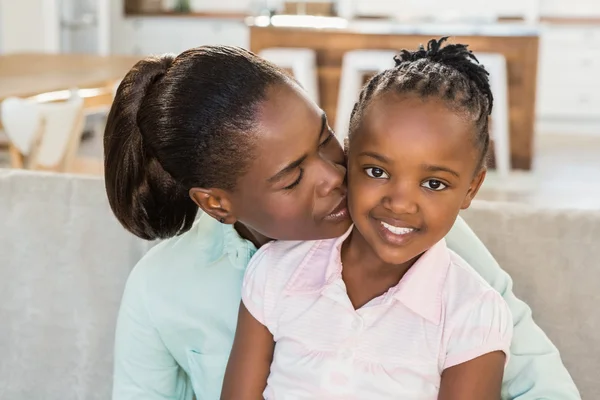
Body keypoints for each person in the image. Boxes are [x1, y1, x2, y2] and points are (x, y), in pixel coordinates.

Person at [104, 45, 580, 400]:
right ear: (217, 204)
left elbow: (543, 386)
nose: (335, 177)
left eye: (325, 136)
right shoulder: (162, 289)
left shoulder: (408, 226)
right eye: (293, 177)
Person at [221, 37, 511, 399]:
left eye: (434, 183)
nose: (400, 203)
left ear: (471, 188)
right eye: (376, 171)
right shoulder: (276, 272)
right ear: (347, 156)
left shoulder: (473, 312)